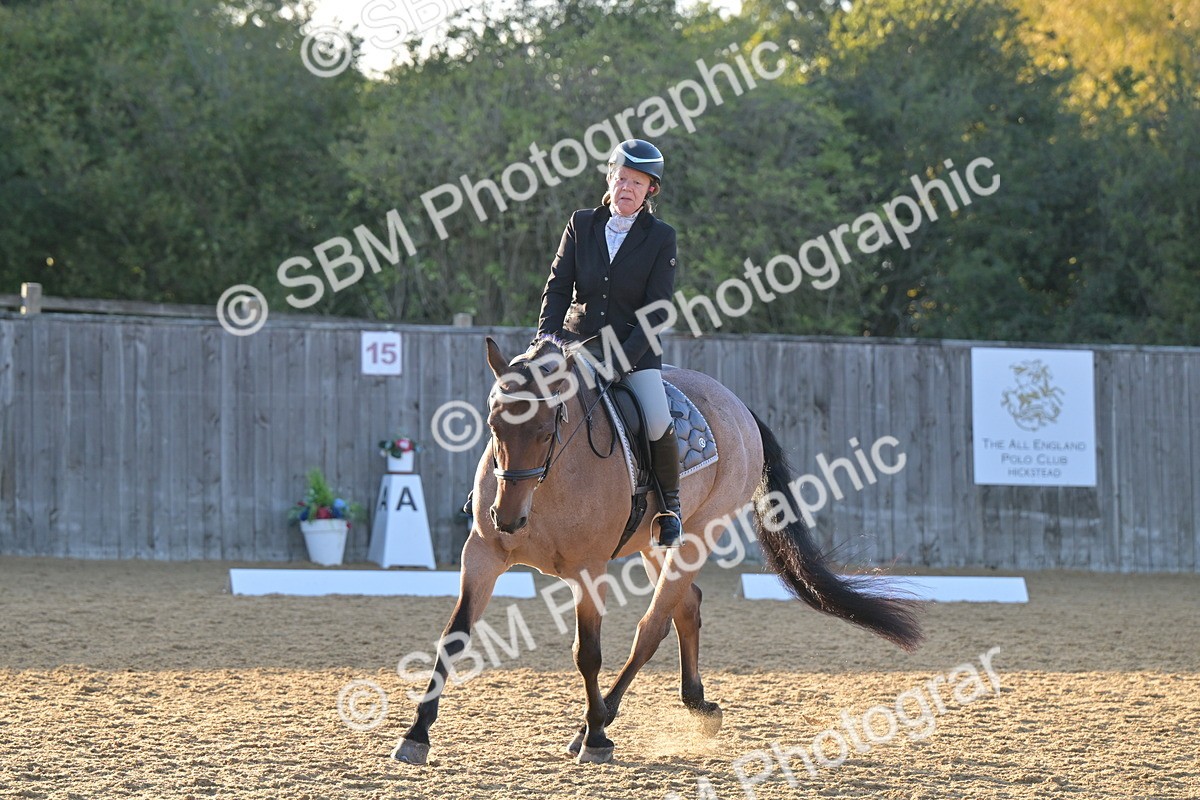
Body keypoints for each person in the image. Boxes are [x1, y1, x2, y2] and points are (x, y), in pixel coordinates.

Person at [532, 138, 682, 549]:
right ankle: (493, 489)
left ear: (650, 190)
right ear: (609, 179)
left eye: (636, 182)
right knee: (523, 400)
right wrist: (549, 338)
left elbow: (656, 312)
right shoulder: (581, 224)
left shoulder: (660, 237)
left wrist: (620, 362)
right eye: (620, 178)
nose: (626, 188)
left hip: (634, 353)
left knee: (655, 418)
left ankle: (670, 508)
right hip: (575, 345)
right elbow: (557, 289)